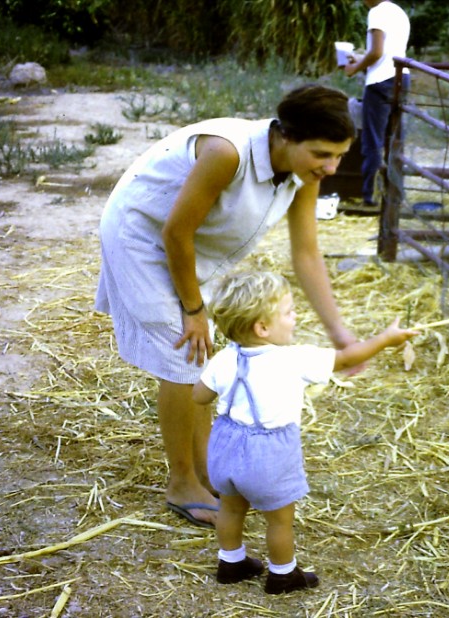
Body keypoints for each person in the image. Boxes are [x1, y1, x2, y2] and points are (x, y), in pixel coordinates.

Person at [95, 84, 358, 529]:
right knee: (184, 353)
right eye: (321, 154)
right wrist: (195, 310)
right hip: (142, 234)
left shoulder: (301, 173)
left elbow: (307, 254)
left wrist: (339, 331)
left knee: (202, 356)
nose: (331, 167)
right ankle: (181, 483)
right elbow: (175, 231)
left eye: (340, 156)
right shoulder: (228, 152)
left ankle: (205, 470)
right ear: (286, 136)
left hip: (189, 246)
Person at [193, 270, 418, 593]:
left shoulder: (225, 359)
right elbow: (345, 359)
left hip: (226, 447)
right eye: (289, 312)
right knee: (280, 520)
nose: (295, 317)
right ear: (263, 327)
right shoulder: (294, 359)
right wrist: (385, 339)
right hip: (269, 455)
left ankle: (231, 562)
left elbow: (199, 397)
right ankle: (283, 574)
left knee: (230, 508)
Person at [343, 0, 410, 207]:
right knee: (394, 138)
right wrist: (363, 62)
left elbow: (377, 52)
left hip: (380, 81)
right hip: (401, 77)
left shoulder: (377, 12)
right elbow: (388, 52)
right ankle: (394, 193)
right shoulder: (398, 12)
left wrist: (355, 68)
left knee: (373, 140)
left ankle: (369, 196)